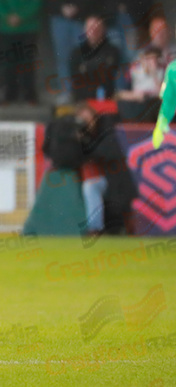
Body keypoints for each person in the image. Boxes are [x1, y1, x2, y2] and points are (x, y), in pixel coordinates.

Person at [45, 0, 100, 101]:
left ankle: (83, 92)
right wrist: (61, 8)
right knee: (63, 57)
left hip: (80, 20)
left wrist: (77, 7)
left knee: (83, 56)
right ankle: (66, 92)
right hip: (59, 20)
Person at [76, 103, 138, 235]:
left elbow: (105, 152)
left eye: (88, 118)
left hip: (119, 179)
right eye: (83, 120)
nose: (87, 122)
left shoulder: (106, 128)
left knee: (124, 209)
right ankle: (95, 229)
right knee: (90, 186)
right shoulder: (85, 136)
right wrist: (80, 140)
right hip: (105, 180)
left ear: (94, 117)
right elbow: (79, 157)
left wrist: (86, 141)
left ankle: (129, 229)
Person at [69, 15, 123, 101]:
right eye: (90, 27)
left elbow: (110, 75)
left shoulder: (113, 51)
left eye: (97, 27)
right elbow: (76, 79)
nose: (93, 30)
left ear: (103, 29)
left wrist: (86, 67)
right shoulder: (76, 53)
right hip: (83, 101)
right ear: (84, 30)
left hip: (107, 99)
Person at [117, 47, 163, 123]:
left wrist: (154, 74)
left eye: (155, 58)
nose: (153, 62)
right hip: (136, 103)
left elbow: (163, 93)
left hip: (155, 104)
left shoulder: (164, 71)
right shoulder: (133, 71)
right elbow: (119, 94)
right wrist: (136, 96)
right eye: (149, 59)